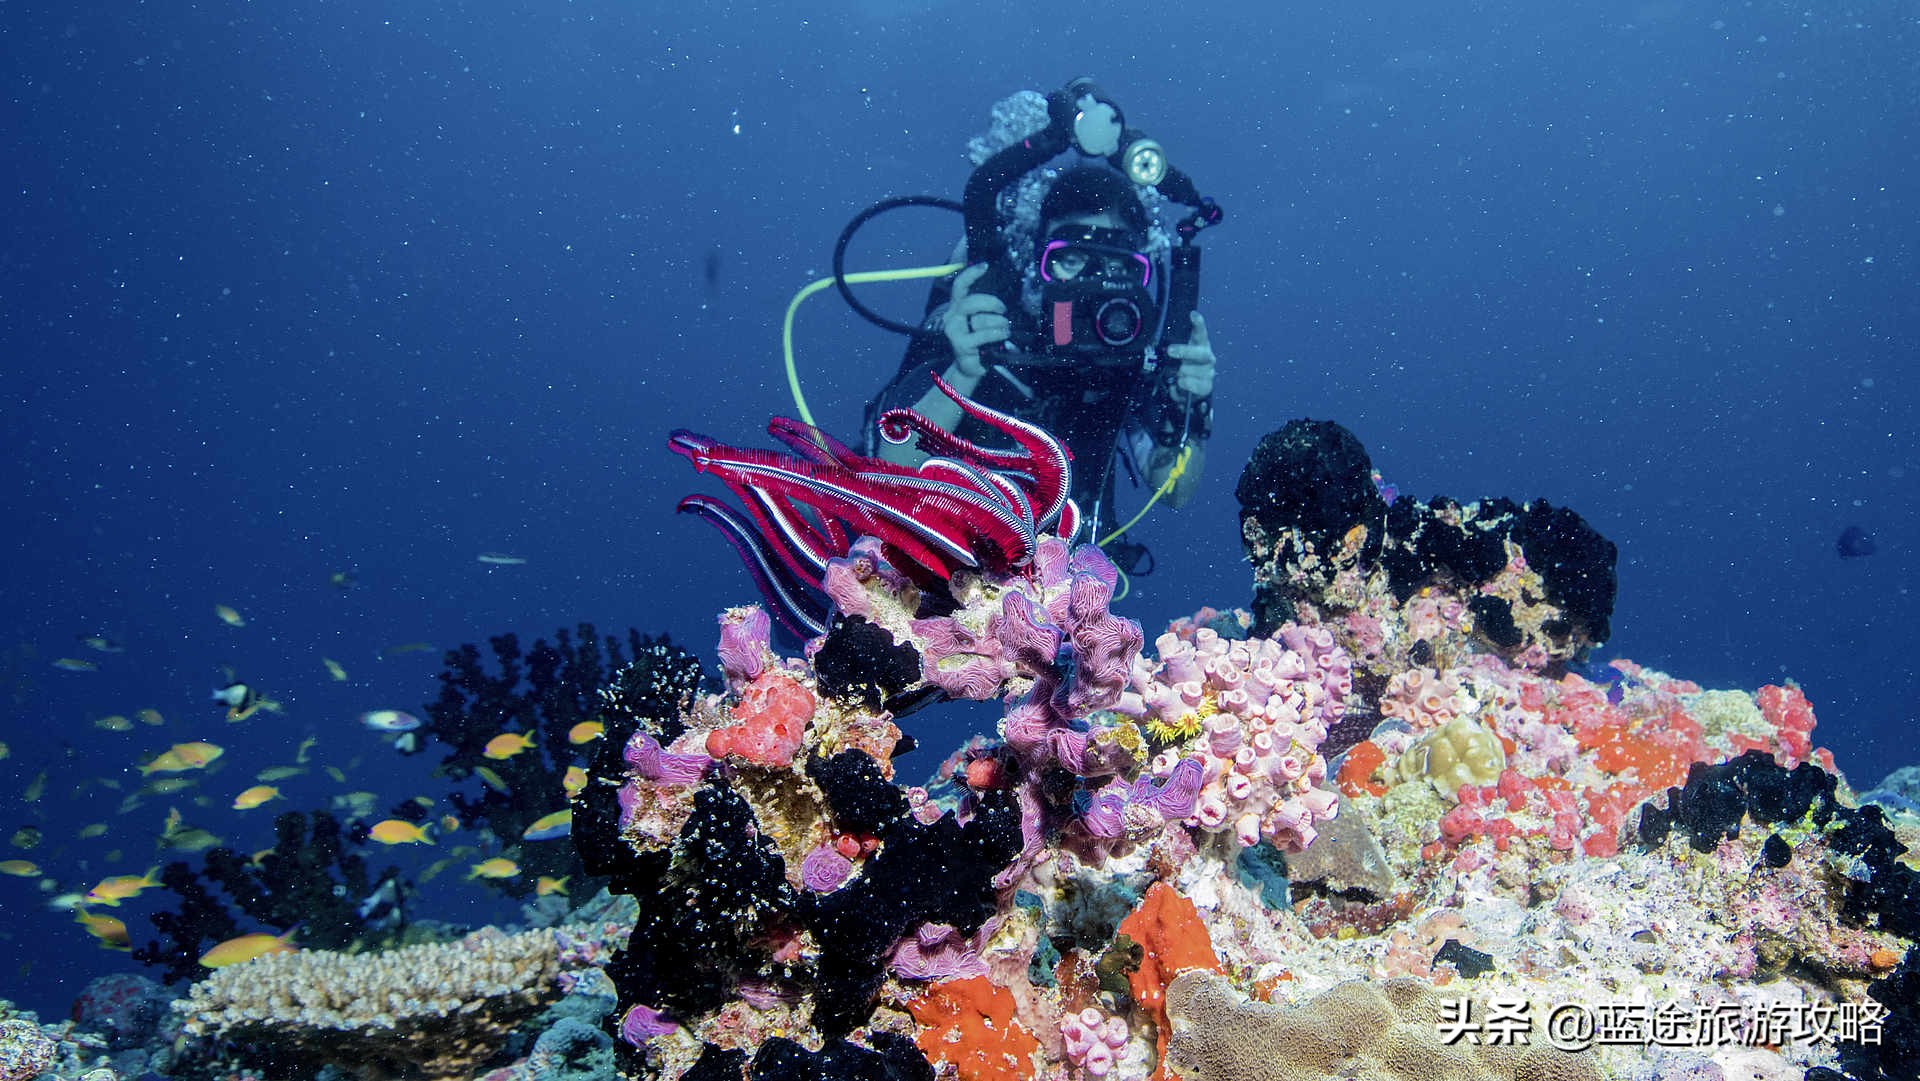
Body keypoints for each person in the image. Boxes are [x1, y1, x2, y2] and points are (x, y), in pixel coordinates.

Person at [864, 81, 1222, 576]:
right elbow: (886, 467)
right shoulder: (989, 332)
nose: (1095, 286)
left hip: (1062, 599)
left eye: (1116, 266)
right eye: (1071, 260)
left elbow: (1175, 489)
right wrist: (963, 373)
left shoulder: (1129, 361)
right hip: (933, 577)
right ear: (1038, 264)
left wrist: (1192, 410)